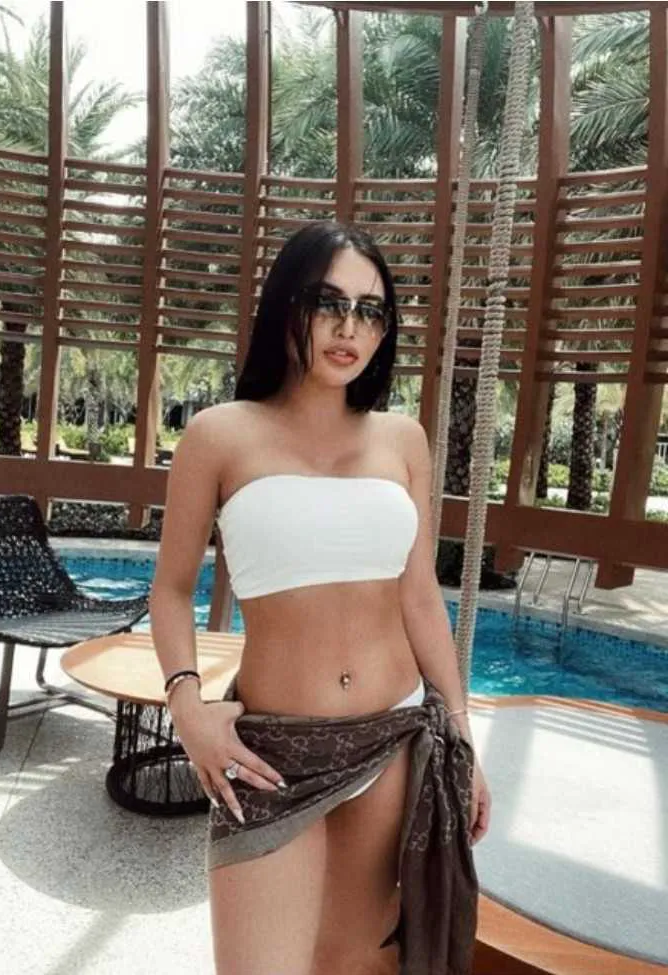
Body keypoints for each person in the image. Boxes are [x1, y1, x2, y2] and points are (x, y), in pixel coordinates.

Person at [150, 221, 492, 975]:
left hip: (392, 736)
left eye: (371, 310)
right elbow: (171, 589)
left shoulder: (403, 440)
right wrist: (188, 710)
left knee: (356, 963)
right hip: (269, 754)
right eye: (329, 302)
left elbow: (419, 596)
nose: (350, 327)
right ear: (287, 306)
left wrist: (462, 735)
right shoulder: (218, 435)